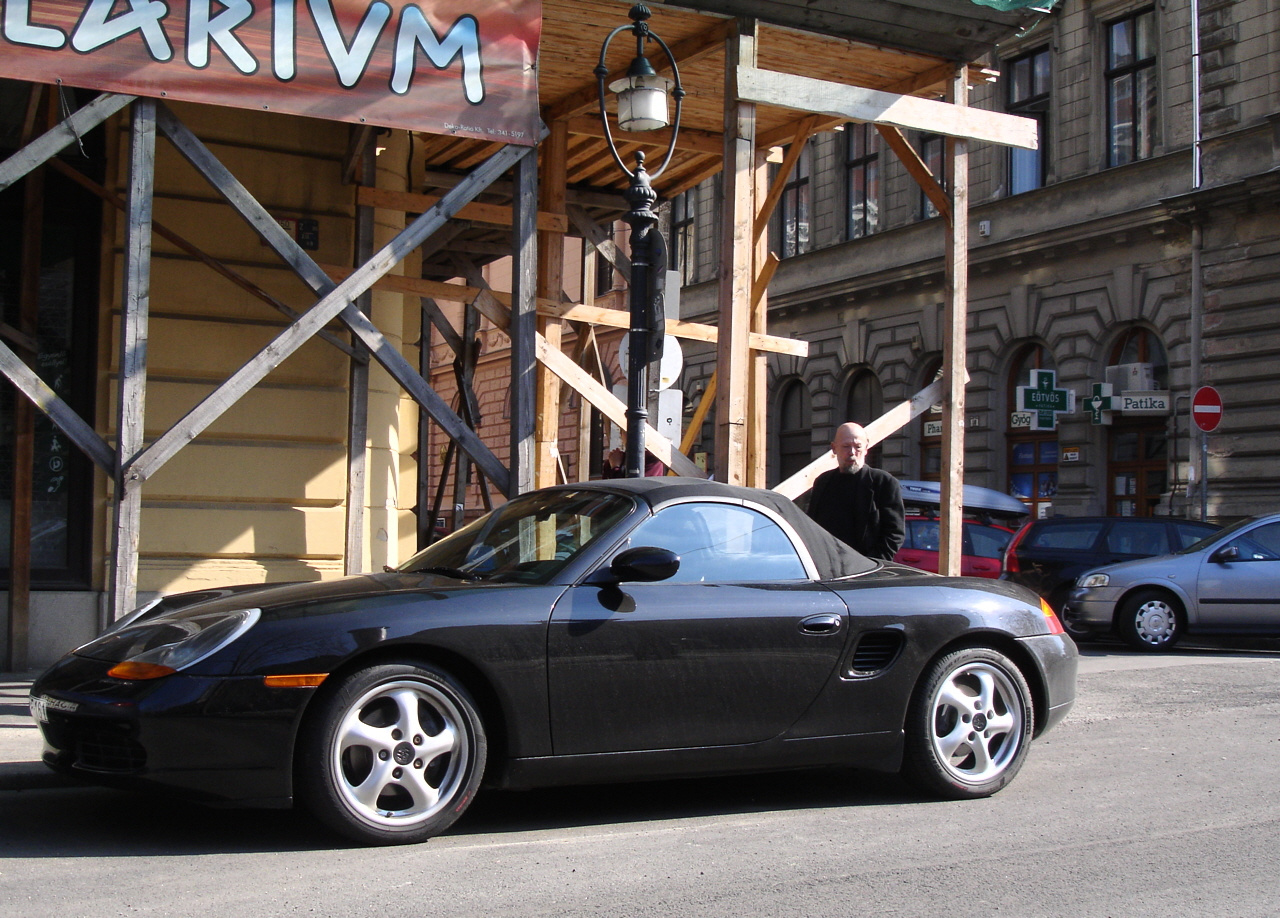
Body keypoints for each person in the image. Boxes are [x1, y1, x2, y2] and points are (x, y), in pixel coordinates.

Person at [807, 422, 905, 561]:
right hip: (828, 566)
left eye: (858, 446)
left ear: (866, 448)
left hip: (867, 570)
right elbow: (812, 527)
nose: (852, 453)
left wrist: (872, 564)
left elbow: (894, 533)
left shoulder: (883, 483)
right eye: (846, 446)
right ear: (834, 448)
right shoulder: (823, 482)